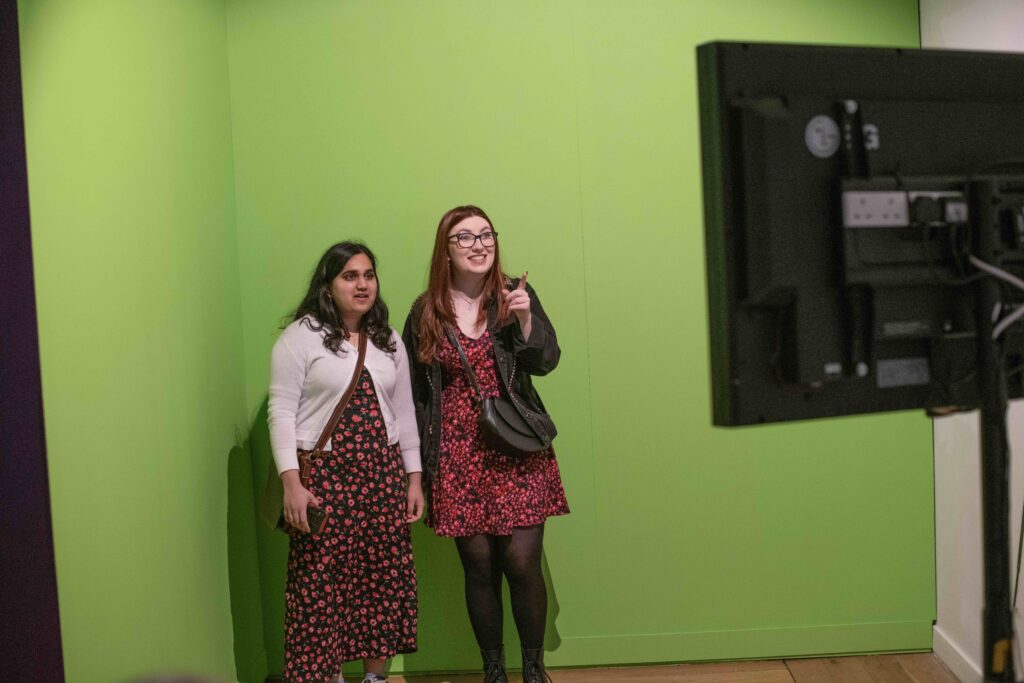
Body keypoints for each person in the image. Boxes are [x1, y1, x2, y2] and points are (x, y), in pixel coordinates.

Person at [403, 205, 569, 683]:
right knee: (478, 567)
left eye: (486, 235)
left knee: (521, 562)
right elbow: (415, 393)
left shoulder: (513, 294)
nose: (479, 245)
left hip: (516, 446)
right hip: (455, 453)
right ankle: (493, 669)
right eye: (465, 238)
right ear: (446, 251)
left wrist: (525, 324)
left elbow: (547, 361)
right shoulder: (425, 310)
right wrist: (415, 467)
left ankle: (534, 669)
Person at [268, 242, 422, 683]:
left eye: (368, 275)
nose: (362, 284)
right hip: (326, 478)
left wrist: (413, 478)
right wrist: (291, 484)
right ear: (328, 284)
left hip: (382, 475)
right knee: (319, 585)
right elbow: (280, 412)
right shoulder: (300, 338)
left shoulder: (388, 339)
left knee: (382, 579)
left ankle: (375, 677)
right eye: (350, 276)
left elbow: (405, 411)